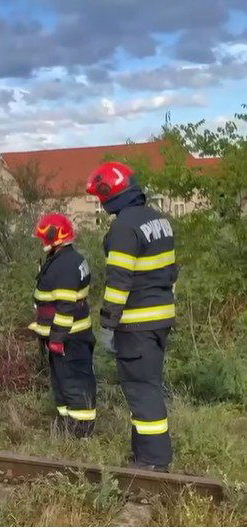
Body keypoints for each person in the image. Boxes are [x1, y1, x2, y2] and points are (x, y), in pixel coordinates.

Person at [87, 161, 177, 471]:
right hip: (160, 319)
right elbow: (170, 272)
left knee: (141, 389)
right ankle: (145, 456)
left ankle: (153, 462)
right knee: (148, 385)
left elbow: (118, 282)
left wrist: (108, 325)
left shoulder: (124, 227)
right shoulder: (158, 220)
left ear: (110, 194)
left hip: (137, 323)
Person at [29, 213, 96, 438]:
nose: (42, 243)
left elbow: (66, 306)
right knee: (63, 385)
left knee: (74, 384)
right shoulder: (67, 259)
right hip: (68, 336)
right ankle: (67, 428)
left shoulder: (65, 265)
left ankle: (80, 433)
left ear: (55, 237)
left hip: (69, 338)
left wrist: (57, 338)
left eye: (44, 238)